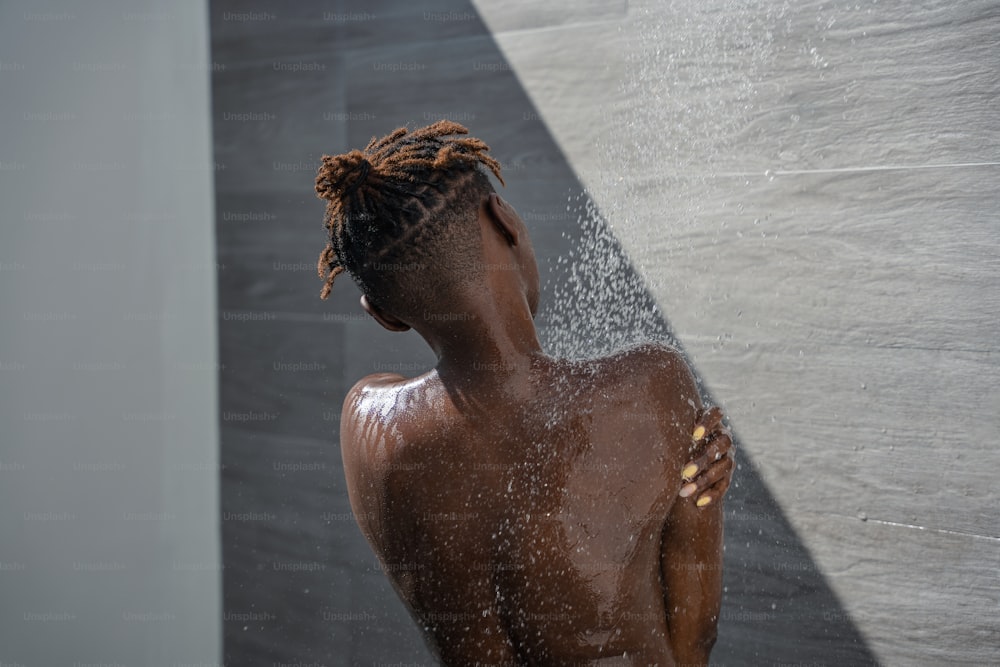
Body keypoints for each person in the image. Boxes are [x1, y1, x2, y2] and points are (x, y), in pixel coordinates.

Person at [315, 120, 735, 665]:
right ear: (505, 221)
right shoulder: (653, 384)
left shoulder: (364, 425)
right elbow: (694, 637)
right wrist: (704, 502)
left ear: (383, 316)